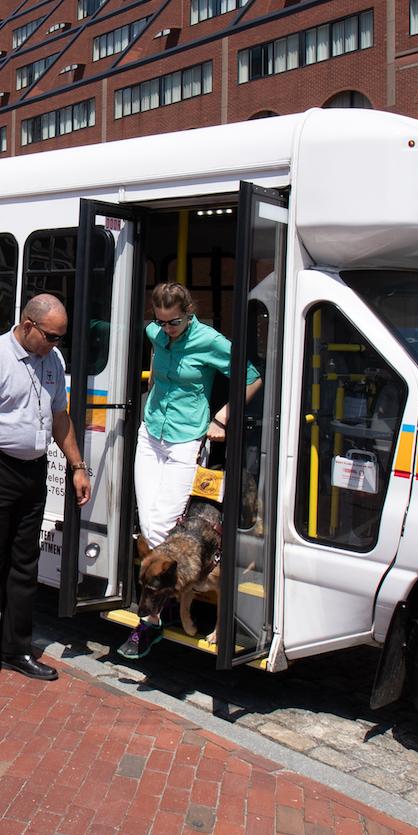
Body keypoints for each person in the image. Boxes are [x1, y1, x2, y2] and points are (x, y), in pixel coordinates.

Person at [0, 293, 91, 693]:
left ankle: (16, 649)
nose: (56, 344)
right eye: (51, 336)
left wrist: (78, 466)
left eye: (60, 338)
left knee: (24, 565)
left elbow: (60, 416)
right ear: (29, 325)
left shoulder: (53, 360)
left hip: (33, 471)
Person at [118, 282, 260, 660]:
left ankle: (151, 621)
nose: (167, 329)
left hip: (186, 439)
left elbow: (251, 375)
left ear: (188, 312)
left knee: (165, 523)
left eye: (174, 322)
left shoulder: (209, 340)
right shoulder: (154, 332)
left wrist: (224, 418)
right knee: (148, 523)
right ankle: (160, 613)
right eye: (161, 322)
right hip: (151, 435)